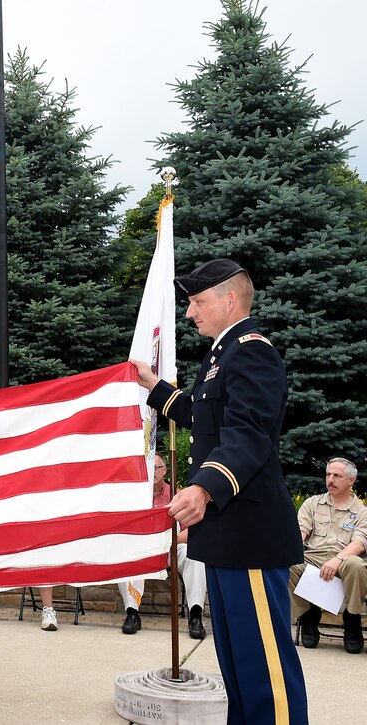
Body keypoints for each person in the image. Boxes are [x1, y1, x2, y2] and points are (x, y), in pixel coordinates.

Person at [131, 259, 307, 724]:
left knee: (265, 668)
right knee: (239, 665)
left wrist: (205, 489)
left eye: (197, 301)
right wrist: (155, 387)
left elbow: (249, 433)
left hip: (249, 534)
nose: (190, 313)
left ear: (230, 301)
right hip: (229, 537)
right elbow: (206, 416)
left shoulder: (251, 351)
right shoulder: (222, 354)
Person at [118, 452, 208, 639]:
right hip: (144, 549)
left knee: (195, 555)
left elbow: (191, 531)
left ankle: (196, 616)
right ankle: (132, 614)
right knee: (128, 555)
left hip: (172, 547)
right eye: (149, 467)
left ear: (166, 470)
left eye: (157, 467)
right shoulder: (135, 497)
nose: (153, 471)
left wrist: (171, 542)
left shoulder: (177, 494)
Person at [288, 457, 367, 654]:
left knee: (356, 564)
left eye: (337, 475)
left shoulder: (362, 512)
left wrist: (338, 559)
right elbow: (300, 534)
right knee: (285, 564)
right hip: (313, 558)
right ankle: (307, 615)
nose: (330, 479)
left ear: (350, 480)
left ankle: (352, 619)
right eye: (328, 474)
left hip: (345, 561)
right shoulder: (312, 504)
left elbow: (359, 543)